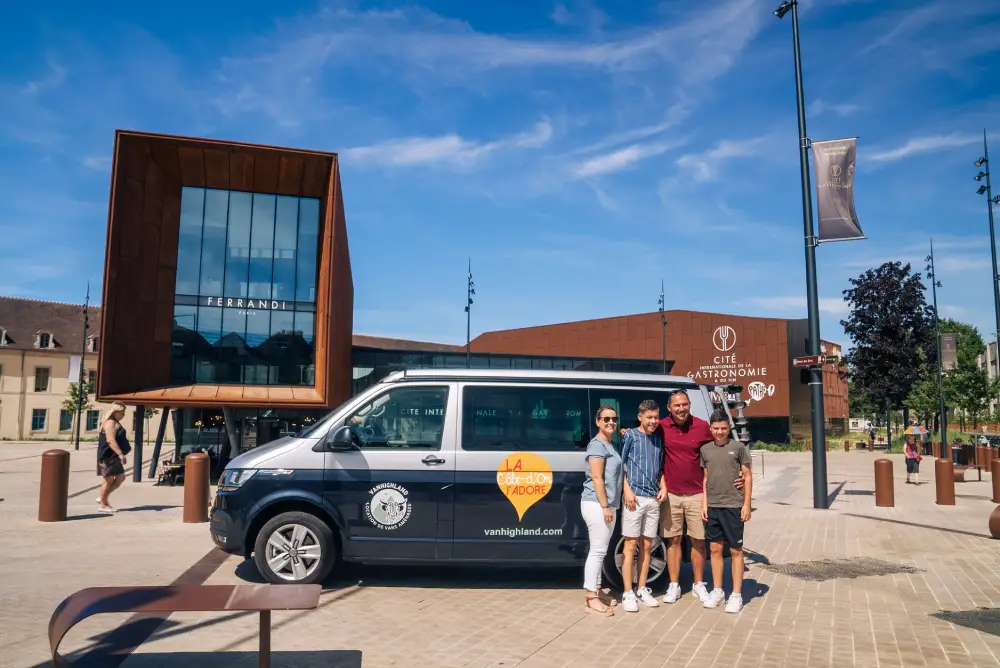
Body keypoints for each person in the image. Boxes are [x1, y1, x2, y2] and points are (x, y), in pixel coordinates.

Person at [658, 391, 742, 604]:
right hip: (672, 494)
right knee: (673, 540)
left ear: (689, 405)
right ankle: (674, 585)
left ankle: (698, 584)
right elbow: (643, 430)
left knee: (698, 541)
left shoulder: (703, 426)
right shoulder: (662, 426)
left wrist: (739, 472)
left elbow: (724, 446)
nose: (681, 409)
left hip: (697, 493)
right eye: (677, 405)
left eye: (685, 404)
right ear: (669, 408)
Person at [700, 409, 752, 613]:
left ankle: (737, 594)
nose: (719, 432)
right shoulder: (705, 450)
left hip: (733, 505)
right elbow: (705, 478)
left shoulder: (738, 448)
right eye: (716, 428)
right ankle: (718, 590)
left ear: (729, 428)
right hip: (713, 506)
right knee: (714, 549)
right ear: (710, 428)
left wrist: (746, 504)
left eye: (723, 428)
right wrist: (704, 504)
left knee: (735, 550)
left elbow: (747, 476)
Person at [619, 399, 668, 612]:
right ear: (640, 417)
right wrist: (626, 489)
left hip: (653, 499)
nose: (653, 421)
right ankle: (627, 592)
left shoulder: (658, 439)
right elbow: (620, 465)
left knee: (647, 545)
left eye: (656, 417)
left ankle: (642, 587)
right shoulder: (629, 436)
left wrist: (664, 487)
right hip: (634, 498)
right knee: (630, 545)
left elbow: (660, 469)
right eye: (649, 417)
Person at [581, 405, 624, 616]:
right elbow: (597, 478)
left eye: (614, 419)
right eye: (606, 419)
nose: (610, 422)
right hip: (597, 504)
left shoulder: (610, 444)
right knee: (597, 551)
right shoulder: (597, 445)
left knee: (600, 550)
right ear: (598, 421)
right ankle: (590, 598)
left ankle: (597, 591)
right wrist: (605, 506)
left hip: (606, 504)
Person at [97, 402, 131, 513]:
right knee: (109, 480)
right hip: (107, 456)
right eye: (122, 413)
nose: (123, 415)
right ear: (114, 412)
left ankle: (103, 497)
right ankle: (103, 504)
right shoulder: (109, 422)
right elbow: (110, 440)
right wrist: (121, 454)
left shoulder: (115, 422)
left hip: (114, 456)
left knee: (120, 477)